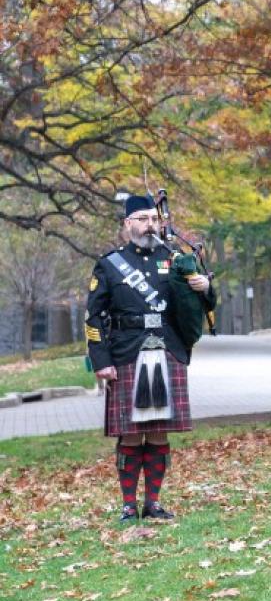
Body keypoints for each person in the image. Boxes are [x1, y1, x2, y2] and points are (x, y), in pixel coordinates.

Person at [86, 194, 216, 522]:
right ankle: (129, 505)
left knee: (159, 431)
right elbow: (94, 316)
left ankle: (153, 503)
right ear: (127, 224)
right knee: (130, 432)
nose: (149, 225)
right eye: (141, 219)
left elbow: (202, 304)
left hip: (167, 349)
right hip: (127, 352)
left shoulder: (175, 258)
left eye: (152, 219)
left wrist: (204, 287)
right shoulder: (110, 264)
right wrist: (101, 360)